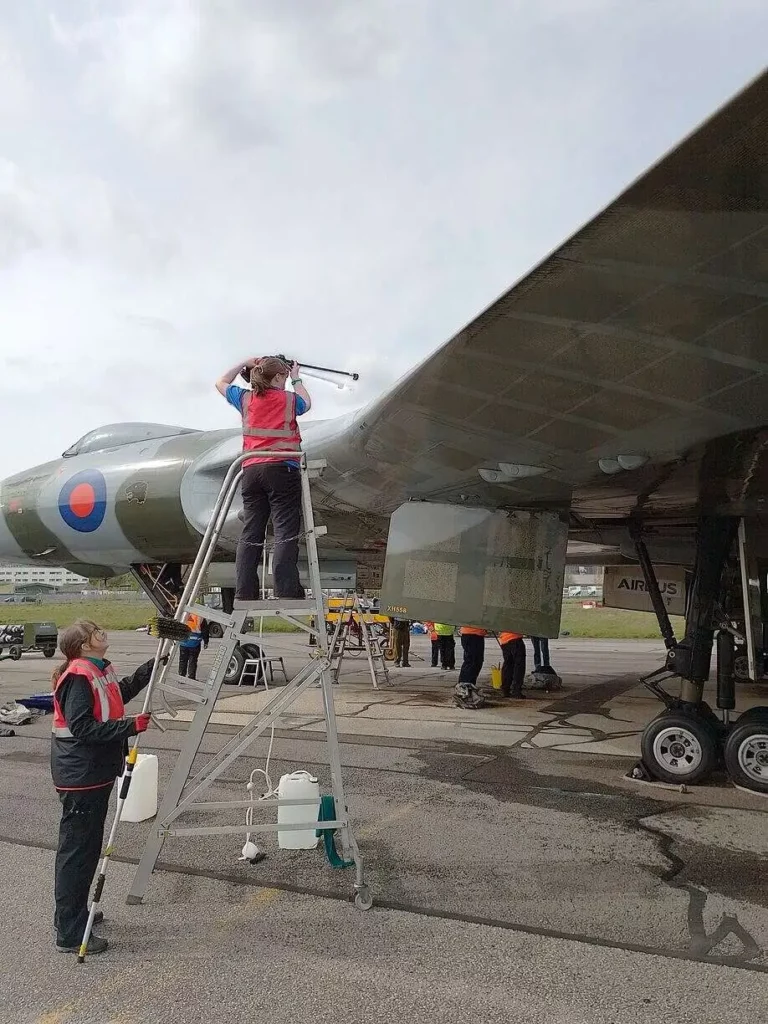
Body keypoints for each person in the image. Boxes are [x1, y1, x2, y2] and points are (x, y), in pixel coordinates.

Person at [51, 620, 158, 955]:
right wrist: (127, 728)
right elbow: (82, 726)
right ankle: (69, 931)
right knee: (78, 853)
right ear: (84, 645)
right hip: (80, 775)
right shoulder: (80, 675)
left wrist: (151, 668)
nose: (104, 634)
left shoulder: (98, 670)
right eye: (96, 632)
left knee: (84, 849)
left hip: (92, 771)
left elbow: (118, 694)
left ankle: (76, 914)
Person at [216, 356, 311, 601]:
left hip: (250, 471)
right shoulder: (289, 399)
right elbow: (307, 403)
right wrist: (297, 377)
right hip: (282, 469)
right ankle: (287, 590)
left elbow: (221, 382)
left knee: (251, 533)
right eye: (283, 377)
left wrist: (244, 361)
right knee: (284, 531)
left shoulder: (245, 398)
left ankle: (245, 591)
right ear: (279, 377)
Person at [454, 626, 487, 708]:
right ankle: (464, 689)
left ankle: (467, 688)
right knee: (472, 662)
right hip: (472, 633)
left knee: (476, 661)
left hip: (475, 633)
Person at [178, 612, 210, 680]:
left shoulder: (184, 614)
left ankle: (181, 677)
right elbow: (205, 631)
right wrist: (206, 642)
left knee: (182, 660)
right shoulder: (200, 617)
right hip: (195, 643)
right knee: (193, 661)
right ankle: (191, 677)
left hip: (183, 642)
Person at [499, 631, 526, 698]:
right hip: (515, 637)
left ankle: (505, 689)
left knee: (508, 665)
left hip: (504, 640)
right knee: (519, 666)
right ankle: (516, 690)